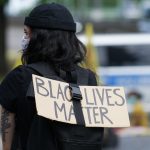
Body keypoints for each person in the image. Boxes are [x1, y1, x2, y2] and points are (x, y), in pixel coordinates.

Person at [0, 3, 104, 150]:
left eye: (26, 33)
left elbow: (6, 136)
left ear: (37, 38)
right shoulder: (88, 79)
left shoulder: (20, 77)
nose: (24, 38)